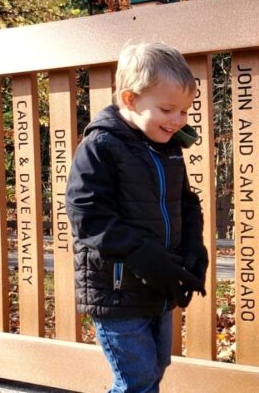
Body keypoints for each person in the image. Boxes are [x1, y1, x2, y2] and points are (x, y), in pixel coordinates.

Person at [66, 42, 208, 393]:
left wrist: (194, 249)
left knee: (155, 368)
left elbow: (186, 201)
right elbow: (87, 213)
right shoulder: (100, 146)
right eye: (167, 109)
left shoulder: (167, 148)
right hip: (115, 289)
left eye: (185, 112)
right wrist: (139, 255)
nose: (177, 121)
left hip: (159, 285)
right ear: (130, 99)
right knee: (137, 380)